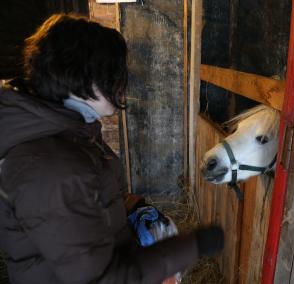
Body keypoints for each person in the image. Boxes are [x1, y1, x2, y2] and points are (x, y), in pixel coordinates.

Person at [0, 14, 224, 284]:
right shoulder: (48, 166)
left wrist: (132, 205)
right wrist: (192, 246)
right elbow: (103, 279)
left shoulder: (73, 133)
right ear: (77, 77)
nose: (121, 84)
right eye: (111, 74)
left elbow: (92, 197)